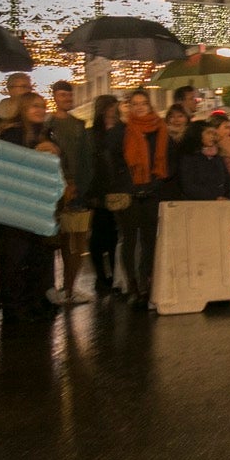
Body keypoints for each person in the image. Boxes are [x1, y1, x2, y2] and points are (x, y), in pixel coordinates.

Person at [0, 93, 60, 324]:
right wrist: (37, 154)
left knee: (36, 257)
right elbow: (6, 168)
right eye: (34, 106)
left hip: (38, 206)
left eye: (42, 106)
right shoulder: (11, 134)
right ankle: (14, 307)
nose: (40, 110)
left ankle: (34, 302)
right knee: (15, 258)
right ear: (23, 108)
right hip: (14, 207)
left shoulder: (46, 134)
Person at [104, 89, 169, 308]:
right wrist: (123, 186)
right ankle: (132, 285)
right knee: (130, 240)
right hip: (128, 193)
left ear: (149, 106)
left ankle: (147, 283)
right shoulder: (121, 131)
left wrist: (154, 184)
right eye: (135, 104)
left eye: (143, 103)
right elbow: (111, 161)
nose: (139, 107)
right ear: (129, 107)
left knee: (150, 241)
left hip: (151, 192)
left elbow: (163, 161)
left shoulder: (159, 128)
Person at [47, 81, 94, 304]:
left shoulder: (78, 125)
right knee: (57, 241)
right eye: (62, 95)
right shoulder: (48, 125)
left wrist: (80, 187)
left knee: (75, 243)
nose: (67, 99)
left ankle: (69, 287)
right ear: (55, 97)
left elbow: (85, 160)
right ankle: (58, 288)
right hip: (55, 191)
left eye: (69, 95)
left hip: (76, 193)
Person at [85, 94, 121, 293]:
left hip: (117, 187)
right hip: (99, 189)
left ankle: (116, 276)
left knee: (116, 235)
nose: (111, 112)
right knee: (99, 235)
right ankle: (101, 276)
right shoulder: (92, 134)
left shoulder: (122, 130)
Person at [177, 122, 230, 200]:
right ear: (198, 133)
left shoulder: (217, 157)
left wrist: (228, 197)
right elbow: (188, 185)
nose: (212, 137)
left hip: (221, 204)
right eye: (208, 133)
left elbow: (228, 181)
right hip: (198, 205)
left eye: (214, 134)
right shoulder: (189, 158)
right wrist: (213, 198)